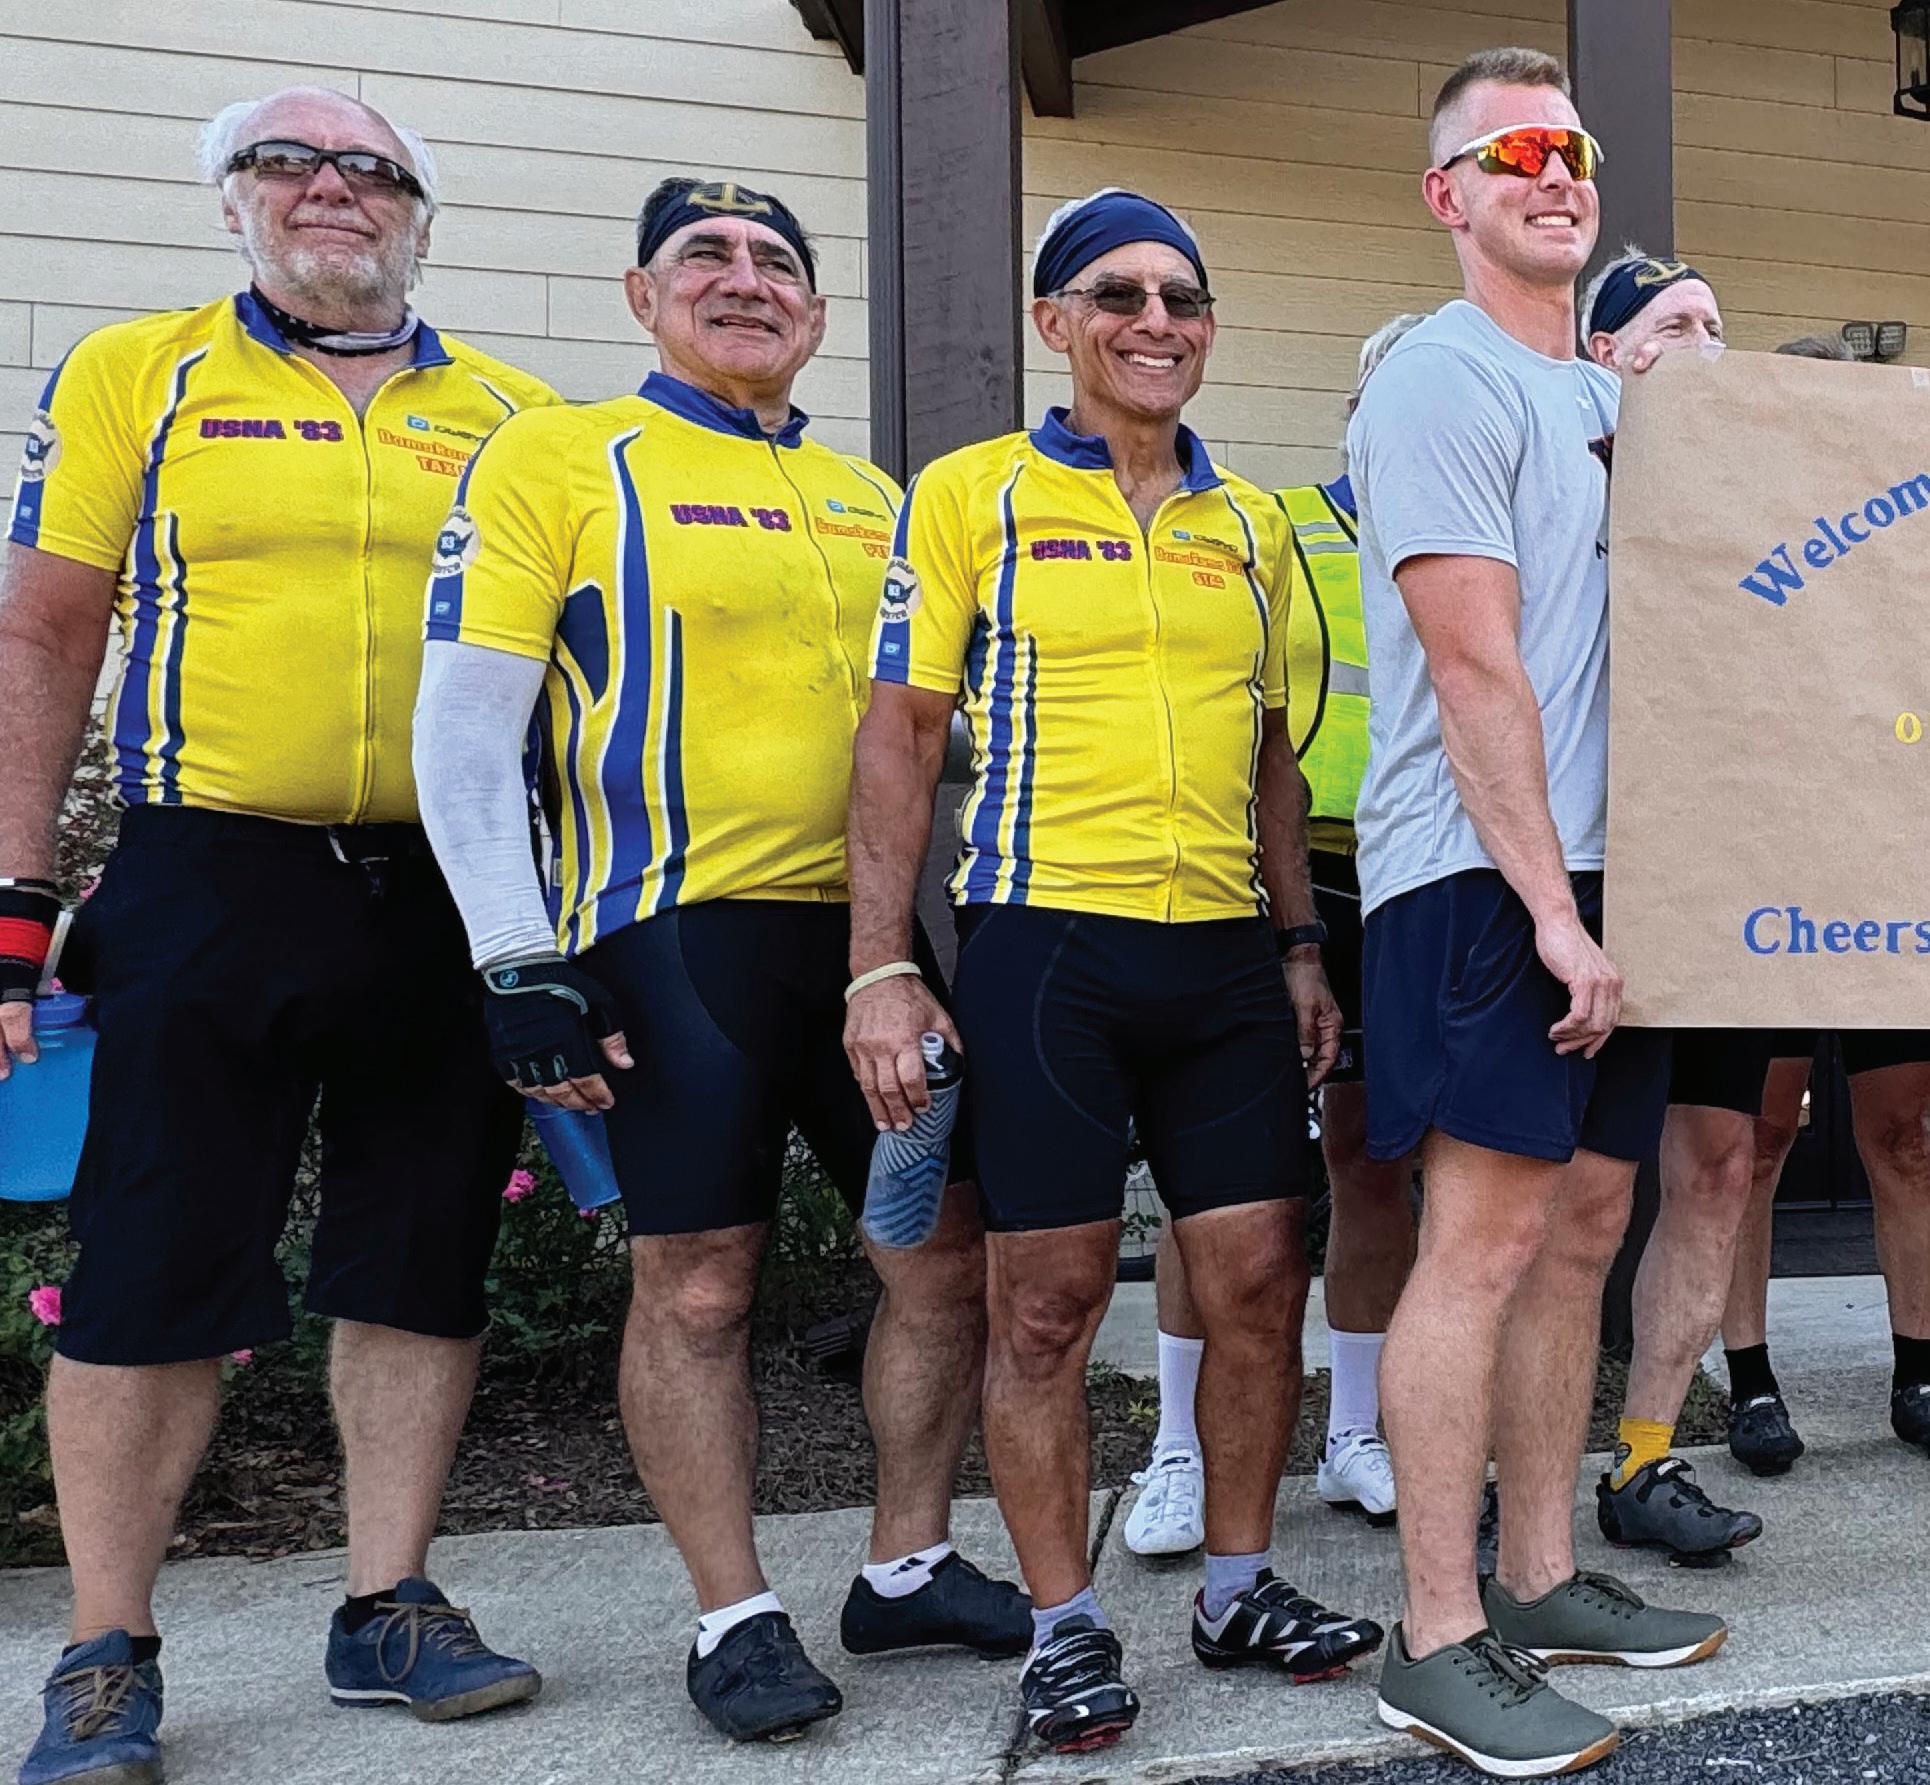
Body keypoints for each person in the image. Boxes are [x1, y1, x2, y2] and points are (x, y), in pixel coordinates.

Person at [409, 175, 1028, 1748]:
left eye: (775, 263)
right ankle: (733, 1614)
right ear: (642, 295)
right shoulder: (560, 455)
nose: (744, 279)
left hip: (872, 951)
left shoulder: (873, 498)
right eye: (705, 256)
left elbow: (942, 735)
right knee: (698, 1282)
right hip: (670, 941)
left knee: (939, 1252)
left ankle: (904, 1563)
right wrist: (514, 958)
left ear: (814, 315)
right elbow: (463, 726)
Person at [1, 87, 558, 1785]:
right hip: (212, 870)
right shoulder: (141, 372)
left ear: (421, 218)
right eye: (288, 161)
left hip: (450, 885)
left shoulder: (516, 415)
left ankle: (388, 1603)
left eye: (373, 170)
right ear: (230, 198)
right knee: (153, 1261)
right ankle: (105, 1652)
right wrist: (16, 899)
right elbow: (46, 630)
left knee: (422, 1252)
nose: (332, 188)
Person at [843, 186, 1383, 1756]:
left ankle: (1236, 1588)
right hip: (1044, 949)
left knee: (1258, 1284)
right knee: (1044, 1307)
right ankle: (1064, 1627)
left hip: (1221, 958)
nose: (1156, 321)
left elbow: (1273, 756)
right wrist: (879, 968)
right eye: (1119, 295)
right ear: (1055, 323)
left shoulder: (1251, 523)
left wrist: (1298, 944)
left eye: (1181, 298)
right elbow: (900, 735)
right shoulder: (970, 494)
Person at [1352, 52, 1726, 1779]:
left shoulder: (1582, 389)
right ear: (1449, 196)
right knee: (1482, 1245)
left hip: (1607, 868)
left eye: (1568, 146)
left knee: (1581, 1232)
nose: (1553, 171)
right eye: (1511, 151)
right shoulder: (1439, 377)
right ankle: (1435, 1641)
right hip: (1483, 876)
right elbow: (1472, 664)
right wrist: (1551, 920)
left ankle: (1540, 1574)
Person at [1121, 313, 1426, 1559]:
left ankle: (1354, 1433)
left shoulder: (1478, 531)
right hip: (1276, 882)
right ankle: (1176, 1450)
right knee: (1224, 1183)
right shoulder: (1276, 524)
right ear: (1359, 410)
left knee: (1370, 1164)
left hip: (1410, 879)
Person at [1575, 248, 1767, 1563]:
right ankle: (1506, 1462)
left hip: (1718, 877)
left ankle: (1643, 1457)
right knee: (1563, 1199)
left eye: (1715, 323)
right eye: (1671, 323)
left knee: (1715, 1166)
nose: (1702, 341)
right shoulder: (1550, 473)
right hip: (1583, 882)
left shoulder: (1761, 491)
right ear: (1607, 354)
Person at [1714, 330, 1930, 1473]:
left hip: (1889, 876)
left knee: (1904, 1135)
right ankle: (1749, 1378)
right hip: (1767, 875)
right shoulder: (1729, 537)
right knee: (1754, 1141)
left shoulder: (1908, 547)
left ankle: (1918, 1370)